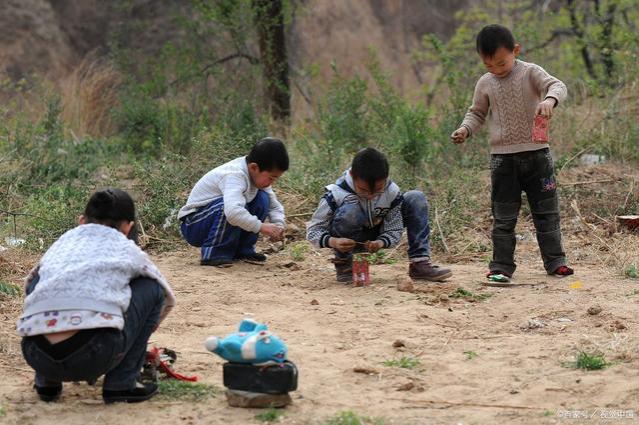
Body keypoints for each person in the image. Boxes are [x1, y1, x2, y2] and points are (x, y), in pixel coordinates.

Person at [17, 188, 176, 403]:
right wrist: (135, 330)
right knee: (151, 286)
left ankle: (47, 384)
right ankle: (121, 385)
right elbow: (166, 298)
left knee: (40, 280)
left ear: (81, 221)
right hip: (95, 355)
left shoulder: (62, 243)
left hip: (36, 354)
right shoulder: (127, 248)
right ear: (127, 227)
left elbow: (29, 286)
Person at [450, 24, 574, 282]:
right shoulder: (485, 83)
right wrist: (465, 129)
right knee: (503, 216)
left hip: (538, 155)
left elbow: (558, 85)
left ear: (515, 51)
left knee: (547, 212)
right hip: (502, 161)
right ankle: (501, 267)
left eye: (501, 63)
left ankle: (556, 262)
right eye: (489, 65)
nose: (495, 69)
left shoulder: (530, 72)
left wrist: (549, 100)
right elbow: (477, 113)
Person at [306, 147, 452, 283]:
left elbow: (394, 228)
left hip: (377, 235)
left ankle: (419, 264)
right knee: (351, 211)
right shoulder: (336, 193)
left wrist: (381, 243)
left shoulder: (392, 192)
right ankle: (344, 264)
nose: (370, 196)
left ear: (386, 178)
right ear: (352, 176)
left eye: (377, 191)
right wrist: (333, 242)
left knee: (416, 197)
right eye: (363, 190)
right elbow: (313, 231)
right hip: (346, 240)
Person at [178, 137, 288, 267]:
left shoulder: (257, 177)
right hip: (194, 224)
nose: (272, 183)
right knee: (228, 207)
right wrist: (263, 227)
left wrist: (278, 226)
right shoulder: (235, 174)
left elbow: (274, 206)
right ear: (254, 167)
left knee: (263, 199)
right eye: (271, 178)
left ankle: (243, 251)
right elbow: (232, 213)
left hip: (212, 217)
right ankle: (214, 254)